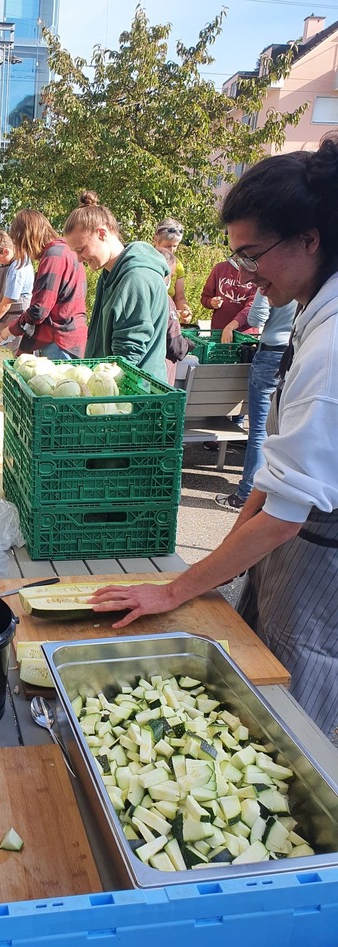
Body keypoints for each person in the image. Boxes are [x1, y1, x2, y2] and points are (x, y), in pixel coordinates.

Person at [89, 132, 338, 736]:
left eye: (254, 255)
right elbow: (274, 474)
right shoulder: (314, 310)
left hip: (320, 557)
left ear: (310, 240)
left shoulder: (332, 347)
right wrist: (228, 559)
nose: (246, 275)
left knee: (298, 705)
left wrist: (175, 590)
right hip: (290, 542)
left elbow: (285, 512)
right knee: (261, 660)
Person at [64, 192, 169, 382]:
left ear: (102, 233)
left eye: (81, 250)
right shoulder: (109, 274)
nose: (79, 259)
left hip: (136, 396)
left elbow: (126, 359)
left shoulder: (136, 278)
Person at [215, 294, 295, 511]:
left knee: (259, 431)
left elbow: (256, 317)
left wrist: (261, 292)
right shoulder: (319, 274)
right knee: (285, 429)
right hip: (298, 354)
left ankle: (246, 495)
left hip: (271, 352)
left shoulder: (273, 273)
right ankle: (274, 493)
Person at [0, 209, 87, 358]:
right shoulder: (67, 249)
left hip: (59, 342)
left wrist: (3, 334)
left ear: (28, 238)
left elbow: (38, 311)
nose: (25, 252)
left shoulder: (53, 256)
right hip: (71, 336)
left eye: (22, 246)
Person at [0, 230, 34, 333]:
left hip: (18, 319)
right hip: (6, 316)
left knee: (12, 349)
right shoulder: (7, 260)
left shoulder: (17, 269)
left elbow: (6, 305)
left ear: (6, 251)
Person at [157, 247, 195, 386]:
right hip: (160, 376)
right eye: (170, 274)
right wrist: (189, 344)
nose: (171, 279)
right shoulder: (164, 299)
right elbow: (176, 347)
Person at [200, 256, 257, 331]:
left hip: (245, 334)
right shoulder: (220, 268)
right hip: (219, 331)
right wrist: (211, 302)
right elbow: (205, 297)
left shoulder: (256, 271)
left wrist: (231, 327)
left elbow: (253, 308)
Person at [153, 218, 192, 322]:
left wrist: (185, 310)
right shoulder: (147, 260)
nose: (171, 250)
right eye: (167, 246)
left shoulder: (178, 265)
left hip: (168, 318)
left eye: (175, 246)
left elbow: (179, 297)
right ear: (155, 240)